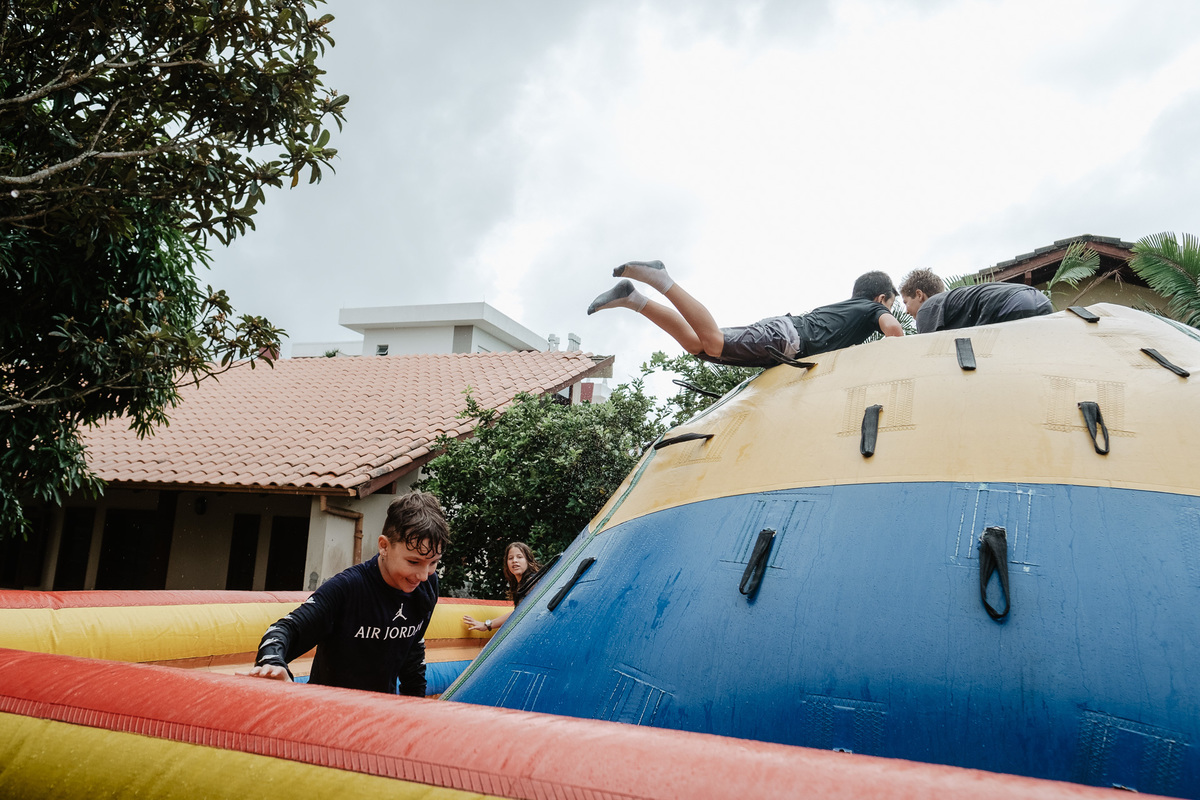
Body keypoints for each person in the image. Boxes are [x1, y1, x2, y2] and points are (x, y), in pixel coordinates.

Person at [244, 491, 451, 695]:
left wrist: (415, 706)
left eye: (433, 562)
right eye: (413, 562)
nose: (423, 575)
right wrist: (273, 661)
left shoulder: (426, 585)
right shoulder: (347, 588)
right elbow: (284, 629)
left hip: (379, 710)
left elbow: (413, 650)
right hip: (328, 708)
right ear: (384, 546)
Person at [587, 260, 904, 368]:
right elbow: (895, 332)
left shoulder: (846, 309)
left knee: (697, 345)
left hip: (784, 335)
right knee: (714, 342)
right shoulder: (872, 308)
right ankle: (660, 278)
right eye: (889, 304)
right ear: (881, 298)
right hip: (787, 339)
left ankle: (632, 298)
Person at [899, 268, 1054, 334]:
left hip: (1011, 304)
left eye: (905, 302)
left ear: (919, 295)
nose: (906, 311)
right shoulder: (951, 303)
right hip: (1039, 299)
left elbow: (929, 356)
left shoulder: (927, 308)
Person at [463, 542, 542, 632]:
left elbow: (521, 611)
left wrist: (487, 625)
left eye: (519, 557)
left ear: (528, 560)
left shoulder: (532, 582)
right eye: (510, 558)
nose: (514, 561)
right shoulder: (519, 584)